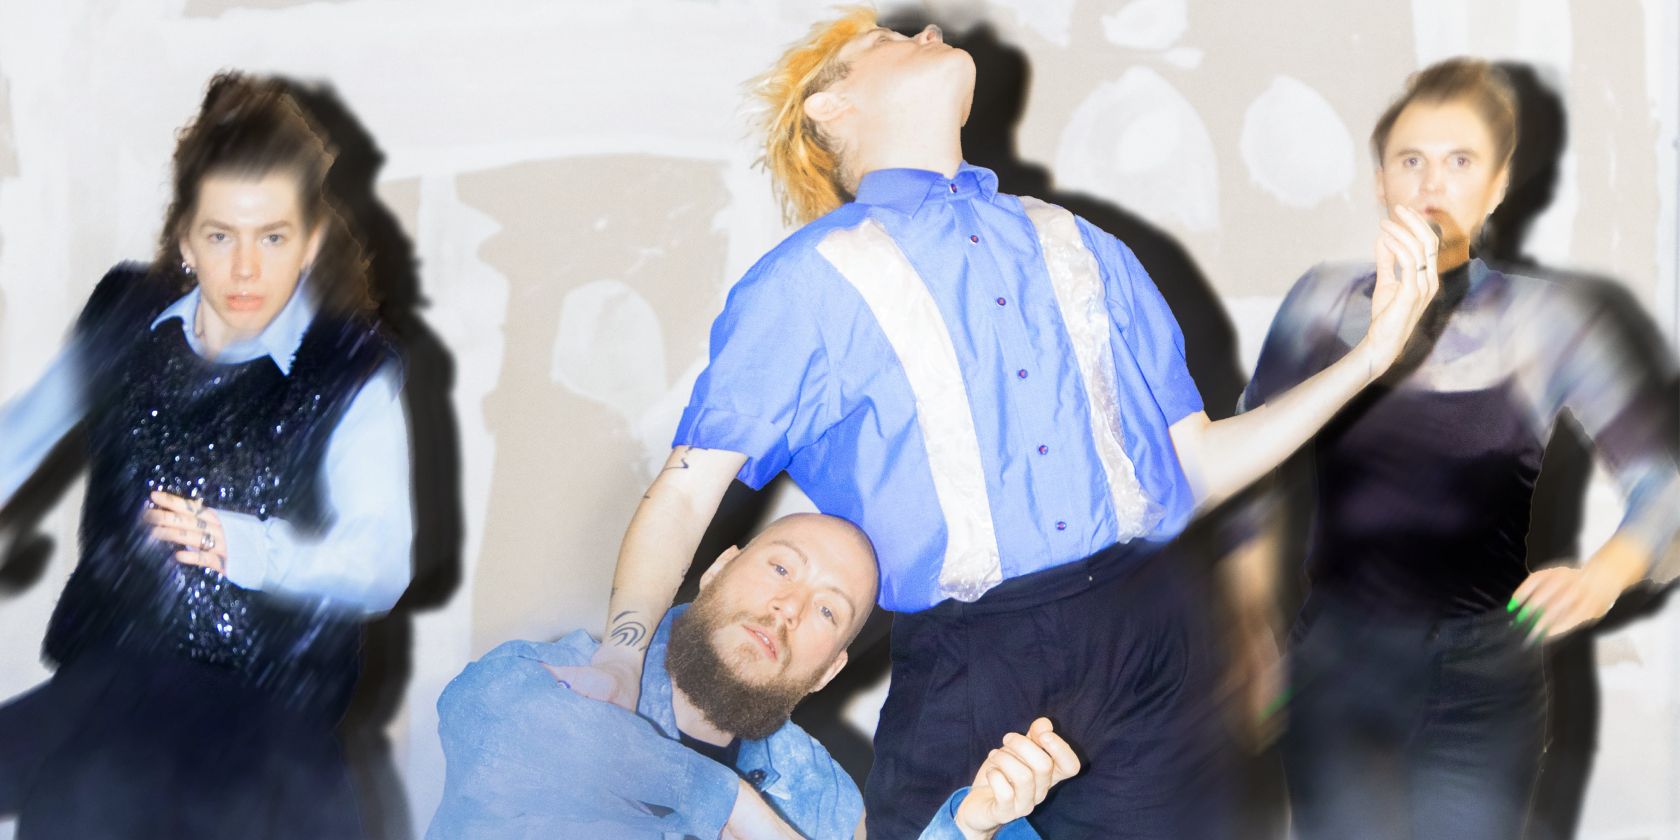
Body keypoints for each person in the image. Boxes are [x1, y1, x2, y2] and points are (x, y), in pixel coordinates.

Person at [583, 9, 1446, 838]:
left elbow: (1195, 468)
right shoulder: (810, 280)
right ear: (830, 106)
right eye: (887, 37)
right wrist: (625, 652)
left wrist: (1371, 357)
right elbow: (686, 493)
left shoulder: (1083, 244)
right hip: (976, 654)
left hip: (1154, 626)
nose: (926, 27)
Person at [1227, 58, 1680, 839]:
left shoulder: (1551, 320)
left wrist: (1607, 575)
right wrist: (1246, 621)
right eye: (1411, 160)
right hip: (1336, 667)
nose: (1431, 182)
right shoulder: (1319, 303)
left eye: (1460, 161)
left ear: (1498, 184)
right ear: (1381, 182)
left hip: (1485, 681)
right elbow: (1246, 472)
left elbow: (1661, 478)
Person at [0, 72, 413, 839]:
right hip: (114, 696)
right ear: (187, 239)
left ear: (311, 239)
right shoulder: (126, 315)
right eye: (221, 236)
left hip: (264, 723)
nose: (246, 269)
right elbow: (19, 436)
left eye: (274, 237)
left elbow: (381, 563)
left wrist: (244, 545)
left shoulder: (352, 370)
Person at [427, 513, 1077, 839]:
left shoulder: (821, 797)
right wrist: (736, 807)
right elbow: (495, 722)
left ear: (827, 671)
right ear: (716, 572)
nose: (788, 608)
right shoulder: (552, 682)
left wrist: (972, 826)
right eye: (781, 568)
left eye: (828, 609)